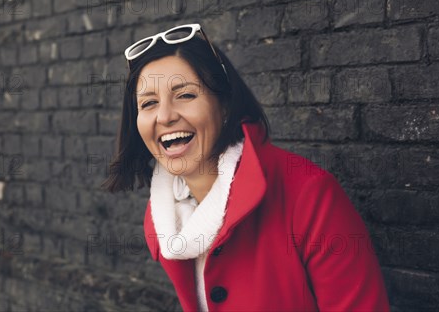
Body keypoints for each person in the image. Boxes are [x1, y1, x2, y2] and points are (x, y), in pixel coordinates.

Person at [103, 23, 390, 311]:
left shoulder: (310, 195)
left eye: (185, 95)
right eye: (149, 103)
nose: (164, 116)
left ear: (225, 105)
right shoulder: (165, 216)